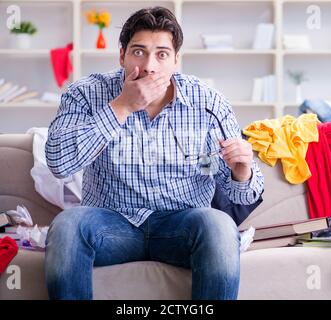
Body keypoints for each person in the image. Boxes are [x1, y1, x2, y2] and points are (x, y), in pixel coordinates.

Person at [45, 6, 264, 300]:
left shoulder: (207, 103)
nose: (149, 66)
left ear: (176, 61)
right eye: (139, 52)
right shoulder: (86, 94)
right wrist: (121, 106)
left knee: (219, 226)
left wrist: (241, 172)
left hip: (181, 228)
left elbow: (242, 195)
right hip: (111, 226)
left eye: (161, 54)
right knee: (67, 226)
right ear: (121, 55)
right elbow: (59, 163)